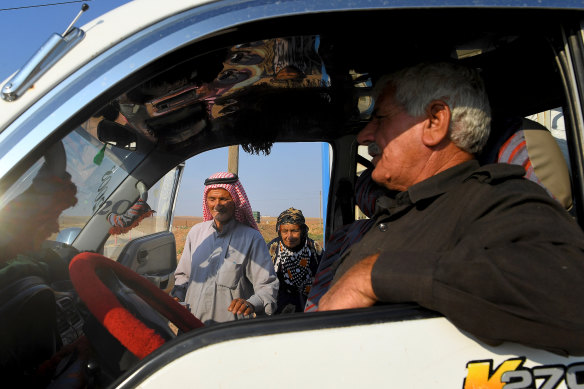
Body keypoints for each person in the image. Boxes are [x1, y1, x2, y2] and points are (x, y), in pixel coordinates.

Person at [318, 62, 584, 355]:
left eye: (380, 119)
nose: (364, 136)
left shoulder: (495, 200)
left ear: (435, 121)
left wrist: (372, 276)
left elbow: (570, 294)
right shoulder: (396, 211)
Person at [172, 172, 278, 325]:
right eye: (212, 199)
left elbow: (267, 286)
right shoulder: (196, 233)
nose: (217, 205)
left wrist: (251, 303)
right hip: (192, 328)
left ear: (235, 201)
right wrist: (178, 295)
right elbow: (183, 276)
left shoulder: (251, 238)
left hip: (229, 333)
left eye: (223, 199)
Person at [267, 208, 323, 313]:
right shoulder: (272, 249)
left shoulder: (314, 249)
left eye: (294, 231)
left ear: (303, 231)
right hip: (279, 312)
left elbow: (324, 279)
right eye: (285, 231)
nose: (289, 236)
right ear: (279, 231)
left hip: (310, 310)